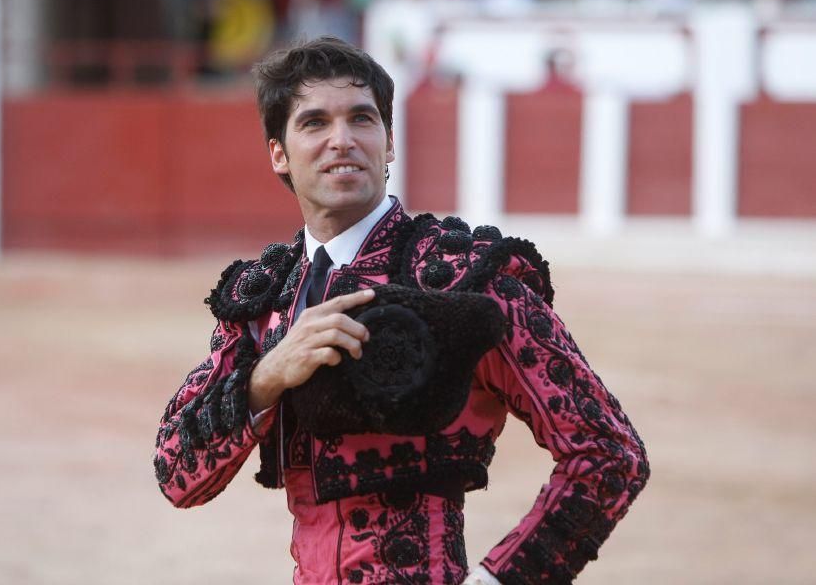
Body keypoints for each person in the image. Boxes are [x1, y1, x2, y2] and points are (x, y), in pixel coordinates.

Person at [153, 36, 649, 584]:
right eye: (314, 123)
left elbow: (608, 452)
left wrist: (501, 580)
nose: (342, 141)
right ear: (279, 154)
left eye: (362, 120)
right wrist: (266, 377)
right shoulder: (266, 296)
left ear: (388, 143)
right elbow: (177, 474)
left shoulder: (461, 278)